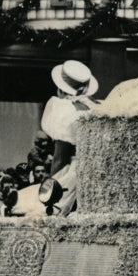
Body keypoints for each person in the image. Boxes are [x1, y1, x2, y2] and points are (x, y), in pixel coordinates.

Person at [40, 59, 99, 215]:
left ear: (60, 89)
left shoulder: (65, 110)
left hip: (73, 170)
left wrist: (51, 182)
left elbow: (60, 156)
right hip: (96, 170)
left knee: (52, 212)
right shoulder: (94, 107)